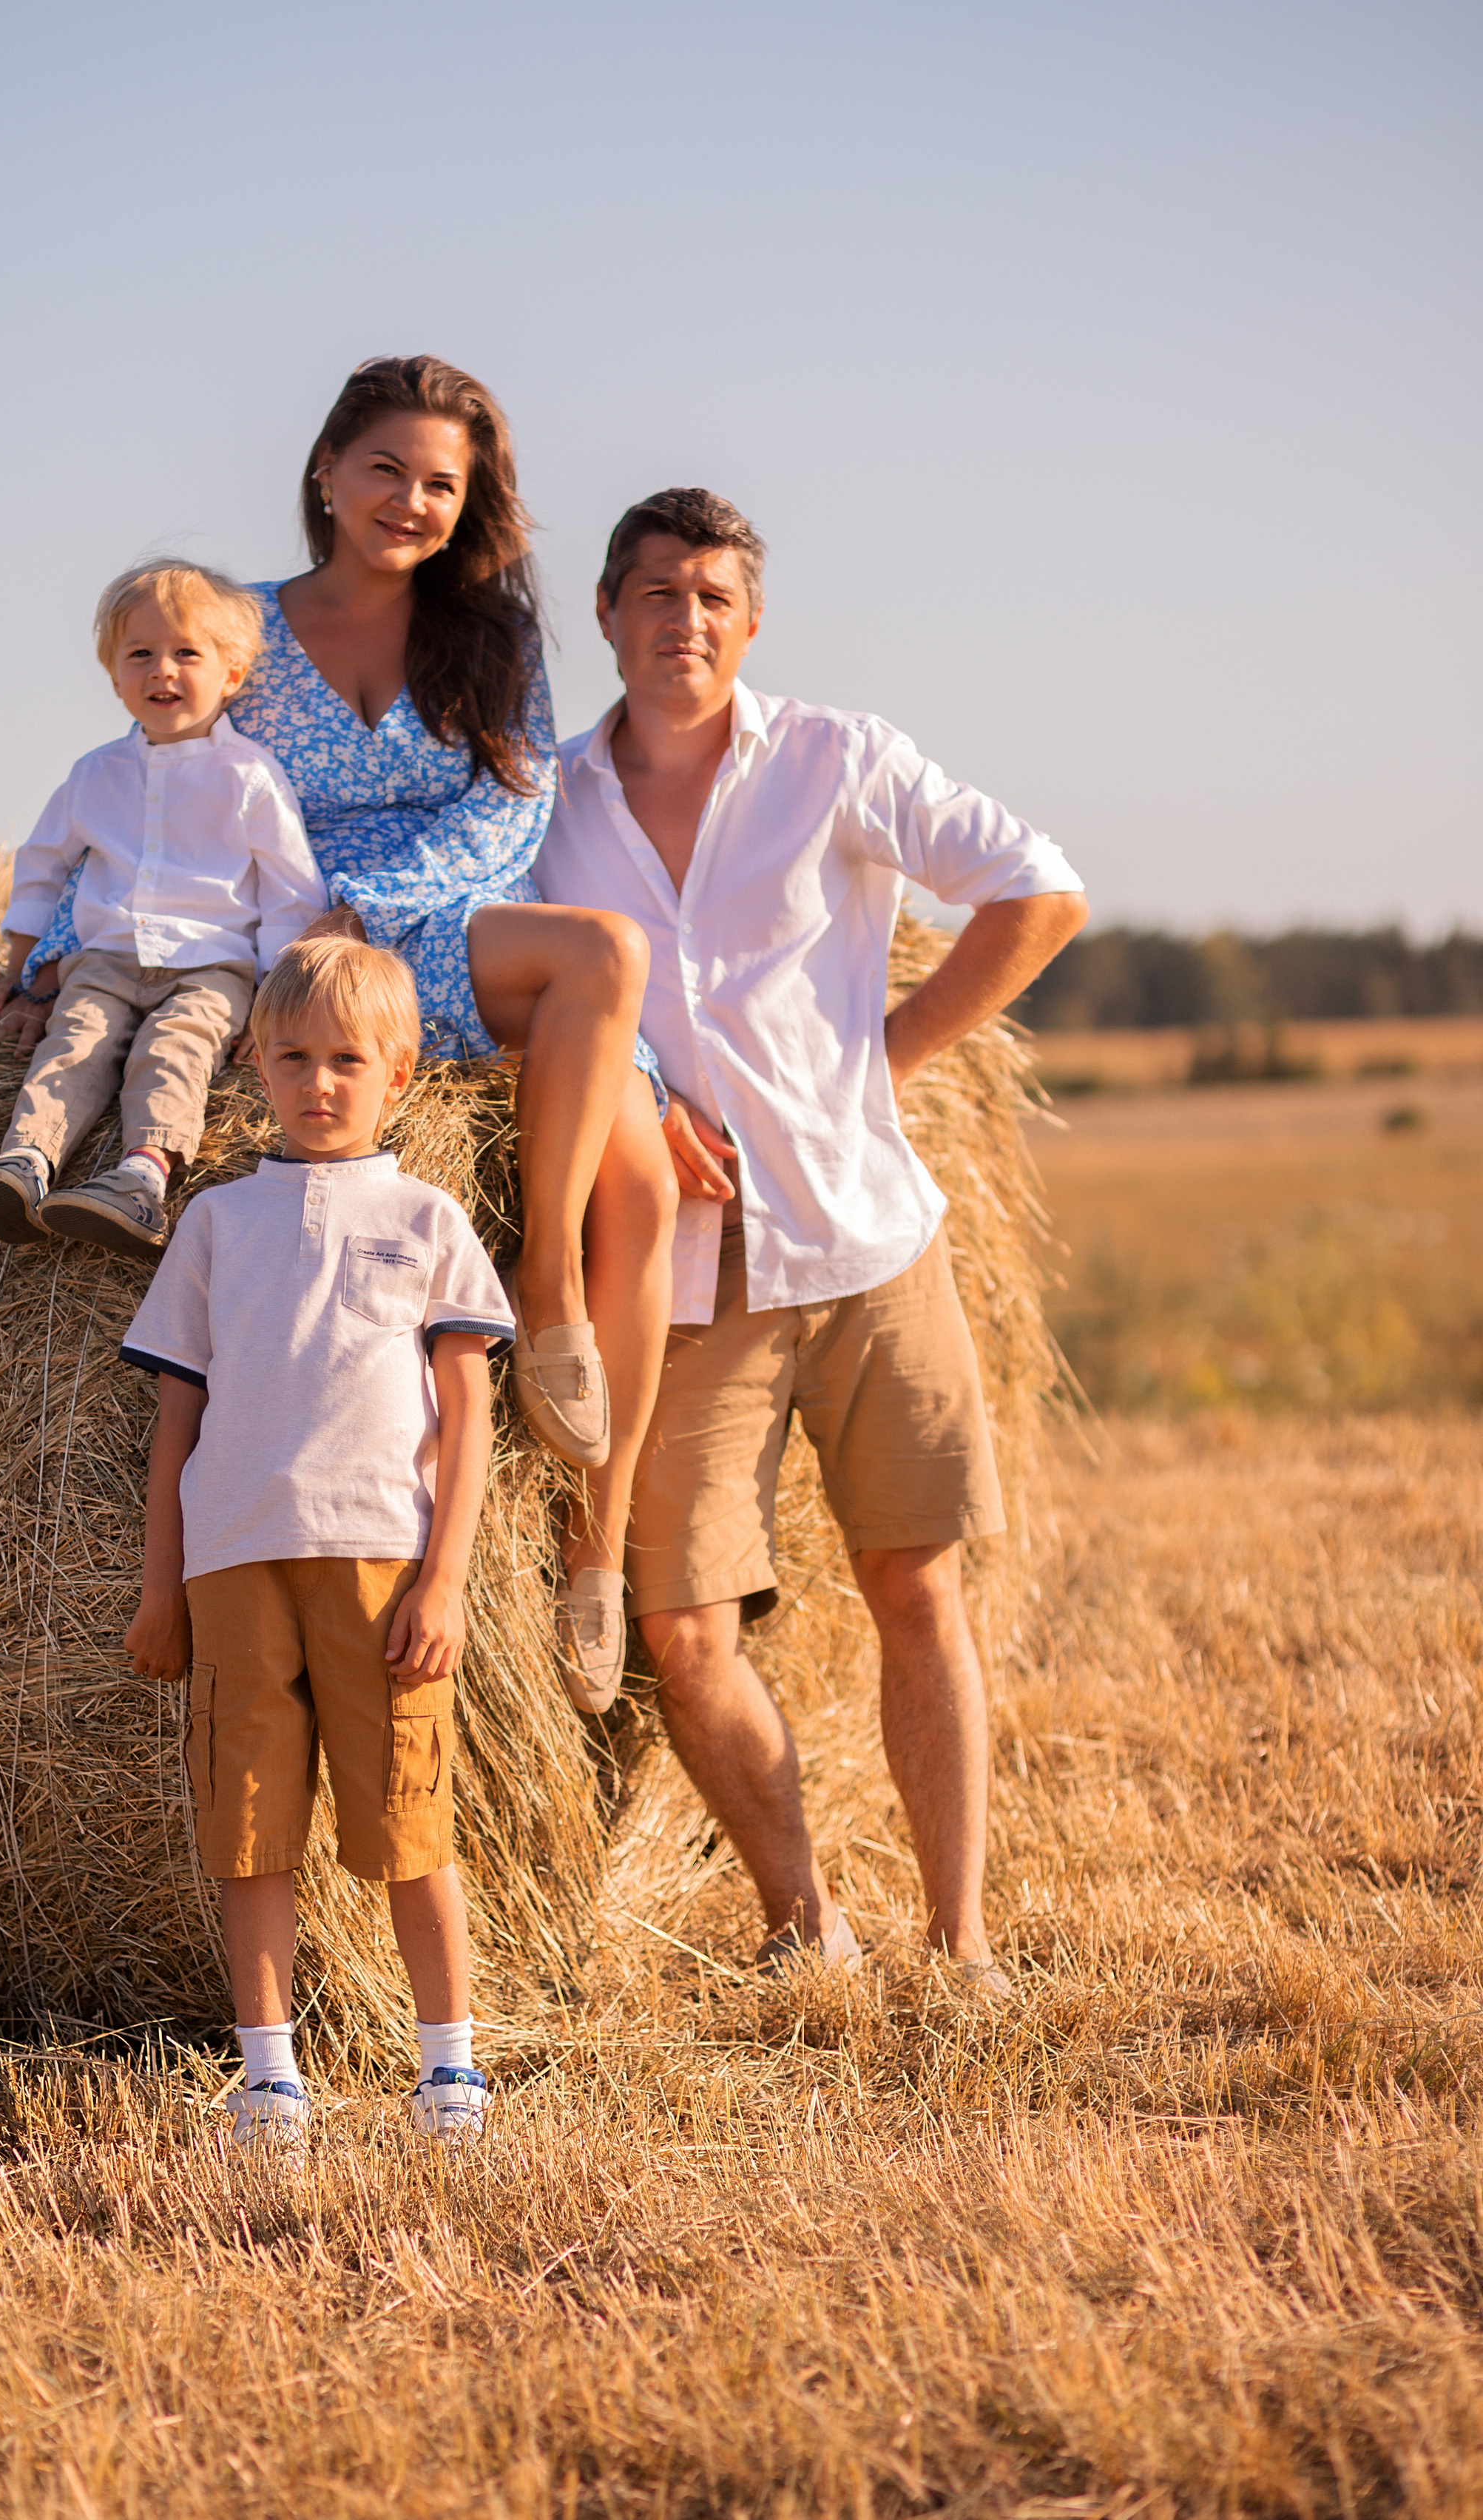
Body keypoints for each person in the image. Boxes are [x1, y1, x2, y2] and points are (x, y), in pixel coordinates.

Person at [535, 489, 1089, 1994]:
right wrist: (634, 1095)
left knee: (915, 1582)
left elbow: (1039, 889)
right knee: (678, 1622)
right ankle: (806, 1923)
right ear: (606, 612)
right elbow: (508, 987)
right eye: (657, 592)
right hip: (681, 1273)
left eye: (714, 595)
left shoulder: (837, 757)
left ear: (753, 619)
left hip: (865, 1239)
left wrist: (886, 1056)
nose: (685, 619)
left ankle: (960, 1942)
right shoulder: (548, 803)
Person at [223, 356, 688, 1714]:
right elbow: (163, 784)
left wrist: (378, 905)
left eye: (442, 483)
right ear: (327, 470)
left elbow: (511, 814)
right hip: (305, 956)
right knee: (608, 981)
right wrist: (50, 955)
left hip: (449, 932)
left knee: (643, 1177)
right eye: (387, 469)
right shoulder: (238, 628)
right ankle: (549, 1298)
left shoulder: (490, 638)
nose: (411, 501)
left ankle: (593, 1538)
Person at [120, 936, 514, 2145]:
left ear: (400, 1073)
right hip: (233, 1560)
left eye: (347, 1059)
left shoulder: (427, 1218)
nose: (320, 1081)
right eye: (293, 1056)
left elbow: (469, 1417)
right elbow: (176, 1422)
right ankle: (270, 2078)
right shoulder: (216, 1223)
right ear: (255, 1064)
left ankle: (448, 2069)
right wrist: (160, 1588)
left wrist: (447, 1580)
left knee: (408, 1811)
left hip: (382, 1557)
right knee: (249, 1826)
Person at [0, 561, 325, 1258]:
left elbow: (291, 894)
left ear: (232, 674)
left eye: (186, 652)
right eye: (140, 654)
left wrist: (275, 1005)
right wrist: (18, 972)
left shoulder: (250, 776)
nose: (163, 669)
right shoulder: (94, 774)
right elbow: (41, 866)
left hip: (211, 968)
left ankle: (141, 1179)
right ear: (114, 676)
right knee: (74, 1043)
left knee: (173, 1051)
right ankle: (26, 1162)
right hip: (104, 961)